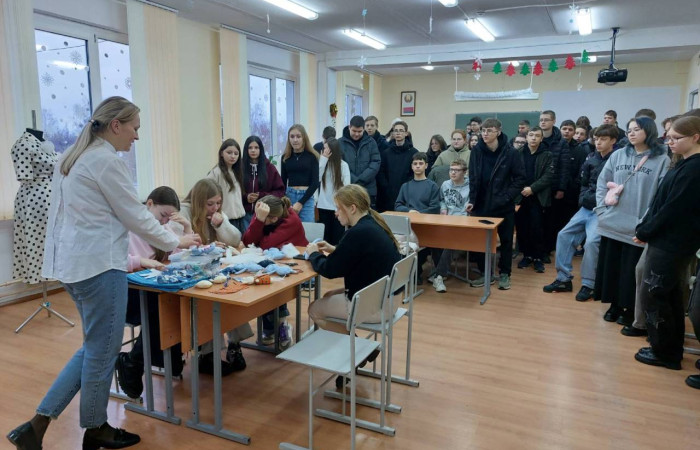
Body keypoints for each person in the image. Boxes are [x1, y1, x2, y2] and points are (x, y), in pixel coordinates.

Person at [7, 96, 201, 450]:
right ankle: (94, 427)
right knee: (101, 352)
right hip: (99, 268)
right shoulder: (105, 161)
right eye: (135, 128)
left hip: (74, 267)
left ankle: (37, 424)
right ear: (116, 125)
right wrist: (176, 242)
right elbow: (136, 216)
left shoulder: (72, 155)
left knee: (93, 348)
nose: (137, 136)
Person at [632, 116, 700, 372]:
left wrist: (646, 231)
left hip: (672, 243)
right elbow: (661, 201)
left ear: (695, 137)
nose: (669, 142)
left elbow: (673, 209)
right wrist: (646, 227)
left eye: (675, 138)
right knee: (667, 295)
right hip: (667, 240)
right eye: (668, 137)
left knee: (656, 295)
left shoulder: (694, 169)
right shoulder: (684, 163)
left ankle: (665, 353)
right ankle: (669, 348)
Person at [115, 186, 193, 399]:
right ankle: (134, 362)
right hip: (129, 291)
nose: (165, 221)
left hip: (152, 288)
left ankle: (159, 357)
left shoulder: (162, 227)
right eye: (163, 215)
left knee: (176, 299)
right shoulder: (128, 226)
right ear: (149, 204)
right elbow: (115, 259)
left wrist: (186, 229)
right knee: (163, 305)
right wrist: (141, 261)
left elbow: (179, 252)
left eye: (169, 217)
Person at [594, 116, 670, 326]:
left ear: (649, 131)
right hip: (611, 223)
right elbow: (602, 182)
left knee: (630, 271)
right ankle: (614, 305)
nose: (631, 133)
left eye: (637, 129)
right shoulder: (618, 154)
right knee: (611, 268)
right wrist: (601, 210)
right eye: (629, 130)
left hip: (636, 227)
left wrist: (646, 223)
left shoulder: (662, 159)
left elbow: (660, 195)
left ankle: (628, 308)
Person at [179, 178, 252, 374]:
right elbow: (180, 249)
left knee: (231, 294)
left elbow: (235, 239)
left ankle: (234, 345)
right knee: (209, 302)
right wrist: (207, 248)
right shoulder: (184, 212)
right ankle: (207, 354)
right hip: (190, 276)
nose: (215, 207)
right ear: (198, 201)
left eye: (218, 203)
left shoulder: (217, 214)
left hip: (211, 271)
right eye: (210, 203)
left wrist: (221, 225)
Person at [306, 184, 401, 334]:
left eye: (338, 208)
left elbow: (330, 270)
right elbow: (360, 254)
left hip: (376, 306)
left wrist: (313, 254)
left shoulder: (357, 232)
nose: (336, 213)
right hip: (389, 298)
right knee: (328, 296)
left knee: (314, 309)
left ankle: (354, 344)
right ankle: (349, 341)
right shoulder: (372, 223)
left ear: (352, 208)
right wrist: (336, 249)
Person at [542, 124, 618, 300]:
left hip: (603, 210)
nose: (598, 142)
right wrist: (583, 199)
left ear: (613, 141)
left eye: (603, 139)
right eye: (596, 139)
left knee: (591, 242)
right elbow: (583, 182)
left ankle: (589, 284)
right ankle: (563, 279)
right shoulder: (591, 158)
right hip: (586, 207)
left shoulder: (616, 161)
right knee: (563, 235)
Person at [467, 117, 526, 291]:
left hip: (503, 204)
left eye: (489, 131)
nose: (485, 134)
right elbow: (473, 177)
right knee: (480, 241)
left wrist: (507, 197)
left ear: (498, 132)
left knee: (506, 241)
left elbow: (520, 179)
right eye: (483, 131)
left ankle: (505, 273)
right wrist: (472, 200)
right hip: (481, 203)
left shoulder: (510, 152)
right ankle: (485, 273)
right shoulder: (476, 151)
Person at [242, 195, 308, 347]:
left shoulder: (291, 220)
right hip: (273, 262)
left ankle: (281, 324)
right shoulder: (262, 215)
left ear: (274, 218)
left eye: (263, 219)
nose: (259, 219)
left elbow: (265, 244)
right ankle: (271, 328)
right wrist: (259, 220)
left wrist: (258, 224)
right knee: (262, 279)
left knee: (273, 283)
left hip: (297, 266)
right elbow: (247, 241)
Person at [395, 153, 440, 282]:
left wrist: (418, 213)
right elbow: (398, 205)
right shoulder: (405, 186)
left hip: (427, 226)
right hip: (409, 226)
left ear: (426, 166)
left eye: (421, 163)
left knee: (428, 247)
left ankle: (425, 273)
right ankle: (411, 274)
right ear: (412, 166)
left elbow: (435, 207)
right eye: (415, 164)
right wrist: (410, 211)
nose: (418, 166)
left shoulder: (432, 186)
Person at [515, 127, 553, 273]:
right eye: (531, 135)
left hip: (538, 197)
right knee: (522, 228)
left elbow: (548, 176)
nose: (533, 138)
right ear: (526, 137)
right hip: (521, 196)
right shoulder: (518, 153)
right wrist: (522, 189)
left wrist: (532, 188)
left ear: (541, 139)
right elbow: (513, 174)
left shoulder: (547, 154)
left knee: (537, 228)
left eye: (537, 136)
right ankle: (527, 256)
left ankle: (538, 258)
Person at [431, 158, 470, 293]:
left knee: (449, 243)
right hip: (446, 221)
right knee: (433, 239)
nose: (453, 173)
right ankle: (439, 272)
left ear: (464, 172)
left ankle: (439, 276)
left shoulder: (470, 186)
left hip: (462, 223)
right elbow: (442, 199)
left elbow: (470, 207)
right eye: (451, 170)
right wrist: (443, 208)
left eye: (457, 170)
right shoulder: (445, 184)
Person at [538, 110, 570, 262]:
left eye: (546, 119)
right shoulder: (537, 138)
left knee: (550, 221)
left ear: (553, 121)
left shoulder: (561, 142)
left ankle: (547, 250)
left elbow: (564, 167)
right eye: (541, 120)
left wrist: (561, 188)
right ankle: (534, 250)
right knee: (536, 220)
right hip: (537, 187)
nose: (543, 122)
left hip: (553, 187)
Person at [241, 135, 285, 230]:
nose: (253, 150)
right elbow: (234, 191)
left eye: (256, 147)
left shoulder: (270, 168)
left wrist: (262, 196)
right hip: (244, 215)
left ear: (261, 149)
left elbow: (280, 191)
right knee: (246, 238)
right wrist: (245, 197)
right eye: (250, 148)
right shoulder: (240, 167)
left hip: (265, 215)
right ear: (246, 150)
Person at [339, 115, 381, 208]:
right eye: (354, 131)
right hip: (347, 189)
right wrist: (354, 179)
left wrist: (361, 179)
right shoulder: (340, 143)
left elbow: (375, 163)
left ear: (363, 129)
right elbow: (339, 165)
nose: (357, 134)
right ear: (349, 127)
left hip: (368, 189)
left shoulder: (371, 142)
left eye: (359, 131)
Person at [281, 124, 319, 223]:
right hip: (289, 196)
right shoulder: (285, 157)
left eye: (298, 136)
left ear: (304, 138)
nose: (295, 140)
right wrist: (284, 201)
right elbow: (283, 182)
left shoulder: (312, 156)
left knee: (307, 228)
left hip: (306, 197)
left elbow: (315, 183)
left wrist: (301, 202)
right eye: (292, 136)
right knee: (289, 227)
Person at [376, 120, 417, 212]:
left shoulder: (413, 153)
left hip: (406, 193)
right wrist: (386, 187)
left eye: (401, 130)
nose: (398, 133)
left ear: (406, 133)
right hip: (388, 194)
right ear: (393, 133)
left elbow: (414, 173)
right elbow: (381, 172)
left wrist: (406, 187)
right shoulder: (386, 153)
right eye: (396, 130)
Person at [207, 138, 246, 232]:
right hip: (226, 219)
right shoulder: (216, 173)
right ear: (221, 153)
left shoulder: (236, 172)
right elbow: (205, 191)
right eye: (229, 152)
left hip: (240, 218)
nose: (233, 156)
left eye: (236, 154)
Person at [317, 137, 350, 245]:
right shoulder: (323, 163)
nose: (325, 151)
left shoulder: (343, 165)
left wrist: (339, 206)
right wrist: (323, 159)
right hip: (323, 206)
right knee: (325, 238)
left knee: (337, 238)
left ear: (333, 150)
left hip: (338, 207)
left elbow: (346, 187)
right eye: (324, 148)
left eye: (327, 148)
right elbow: (317, 178)